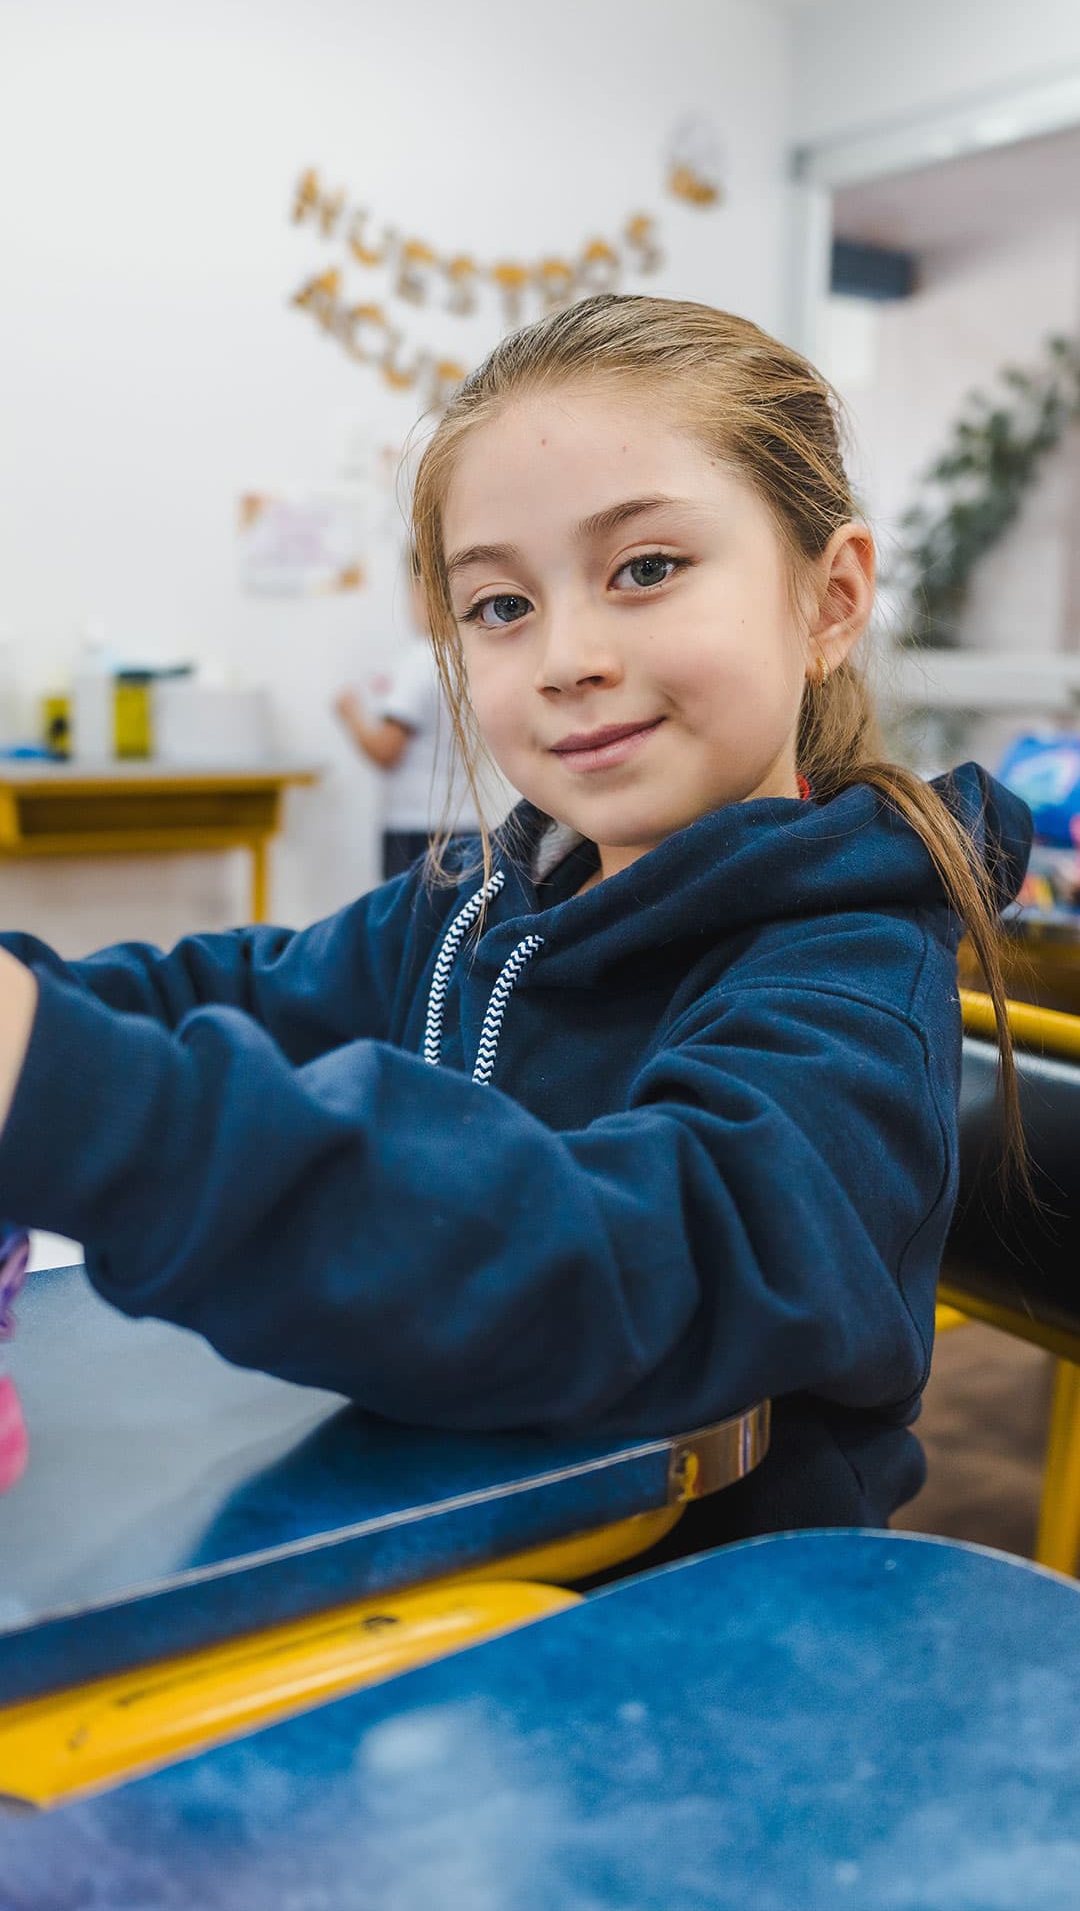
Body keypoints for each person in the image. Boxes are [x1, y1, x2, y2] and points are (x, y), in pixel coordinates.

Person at [0, 296, 1032, 1551]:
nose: (565, 657)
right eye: (500, 606)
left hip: (687, 1618)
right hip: (433, 1546)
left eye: (646, 569)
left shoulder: (846, 976)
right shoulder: (477, 903)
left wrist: (74, 1101)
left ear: (829, 600)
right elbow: (213, 996)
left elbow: (626, 1268)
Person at [334, 560, 483, 879]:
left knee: (409, 912)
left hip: (417, 827)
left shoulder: (420, 662)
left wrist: (351, 715)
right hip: (466, 819)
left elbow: (386, 751)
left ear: (423, 590)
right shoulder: (468, 657)